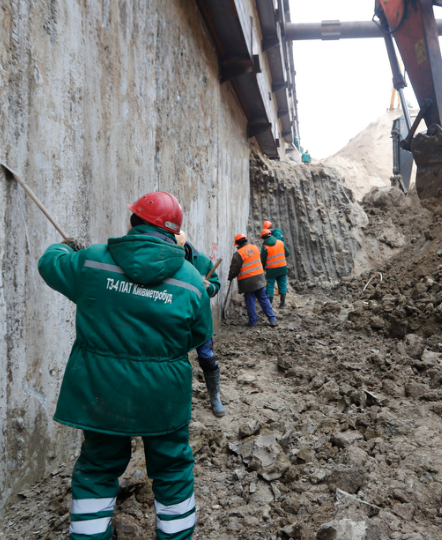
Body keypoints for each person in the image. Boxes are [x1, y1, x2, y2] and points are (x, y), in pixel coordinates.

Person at [38, 192, 210, 540]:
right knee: (173, 469)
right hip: (163, 396)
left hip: (101, 391)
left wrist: (63, 248)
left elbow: (49, 265)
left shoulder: (93, 261)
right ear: (174, 234)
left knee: (98, 465)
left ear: (133, 222)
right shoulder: (191, 280)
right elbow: (198, 334)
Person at [175, 230, 226, 417]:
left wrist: (209, 287)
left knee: (207, 357)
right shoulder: (170, 261)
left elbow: (215, 286)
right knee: (176, 360)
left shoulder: (203, 261)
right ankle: (180, 400)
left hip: (200, 318)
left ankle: (215, 397)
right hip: (178, 319)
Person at [227, 233, 277, 327]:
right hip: (260, 279)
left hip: (248, 282)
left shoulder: (238, 254)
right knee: (264, 299)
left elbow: (234, 269)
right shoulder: (254, 247)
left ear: (237, 244)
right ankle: (272, 319)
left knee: (250, 301)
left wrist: (230, 277)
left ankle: (253, 322)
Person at [260, 228, 290, 308]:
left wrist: (261, 269)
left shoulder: (265, 247)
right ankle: (282, 304)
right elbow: (287, 253)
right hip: (282, 268)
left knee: (270, 286)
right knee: (283, 285)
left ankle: (269, 305)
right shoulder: (280, 242)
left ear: (263, 238)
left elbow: (262, 261)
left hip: (271, 270)